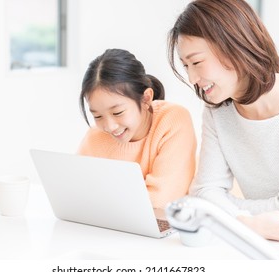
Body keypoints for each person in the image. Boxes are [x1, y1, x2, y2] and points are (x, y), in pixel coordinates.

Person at [167, 0, 279, 241]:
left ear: (233, 46)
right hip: (253, 240)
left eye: (196, 62)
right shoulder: (217, 109)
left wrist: (227, 212)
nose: (192, 78)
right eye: (186, 65)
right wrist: (247, 223)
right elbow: (204, 192)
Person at [78, 48, 197, 209]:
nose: (109, 126)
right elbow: (77, 191)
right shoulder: (96, 136)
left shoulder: (173, 119)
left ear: (146, 98)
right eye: (97, 116)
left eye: (117, 112)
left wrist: (101, 198)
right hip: (114, 225)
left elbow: (161, 200)